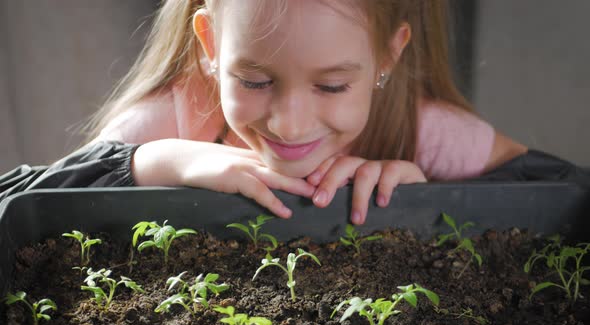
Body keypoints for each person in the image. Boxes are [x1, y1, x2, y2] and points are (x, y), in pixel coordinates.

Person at [3, 1, 530, 223]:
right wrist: (158, 163)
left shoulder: (422, 129)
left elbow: (554, 194)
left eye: (332, 85)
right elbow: (24, 203)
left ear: (388, 54)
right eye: (254, 81)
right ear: (210, 45)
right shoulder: (182, 117)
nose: (290, 124)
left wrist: (427, 198)